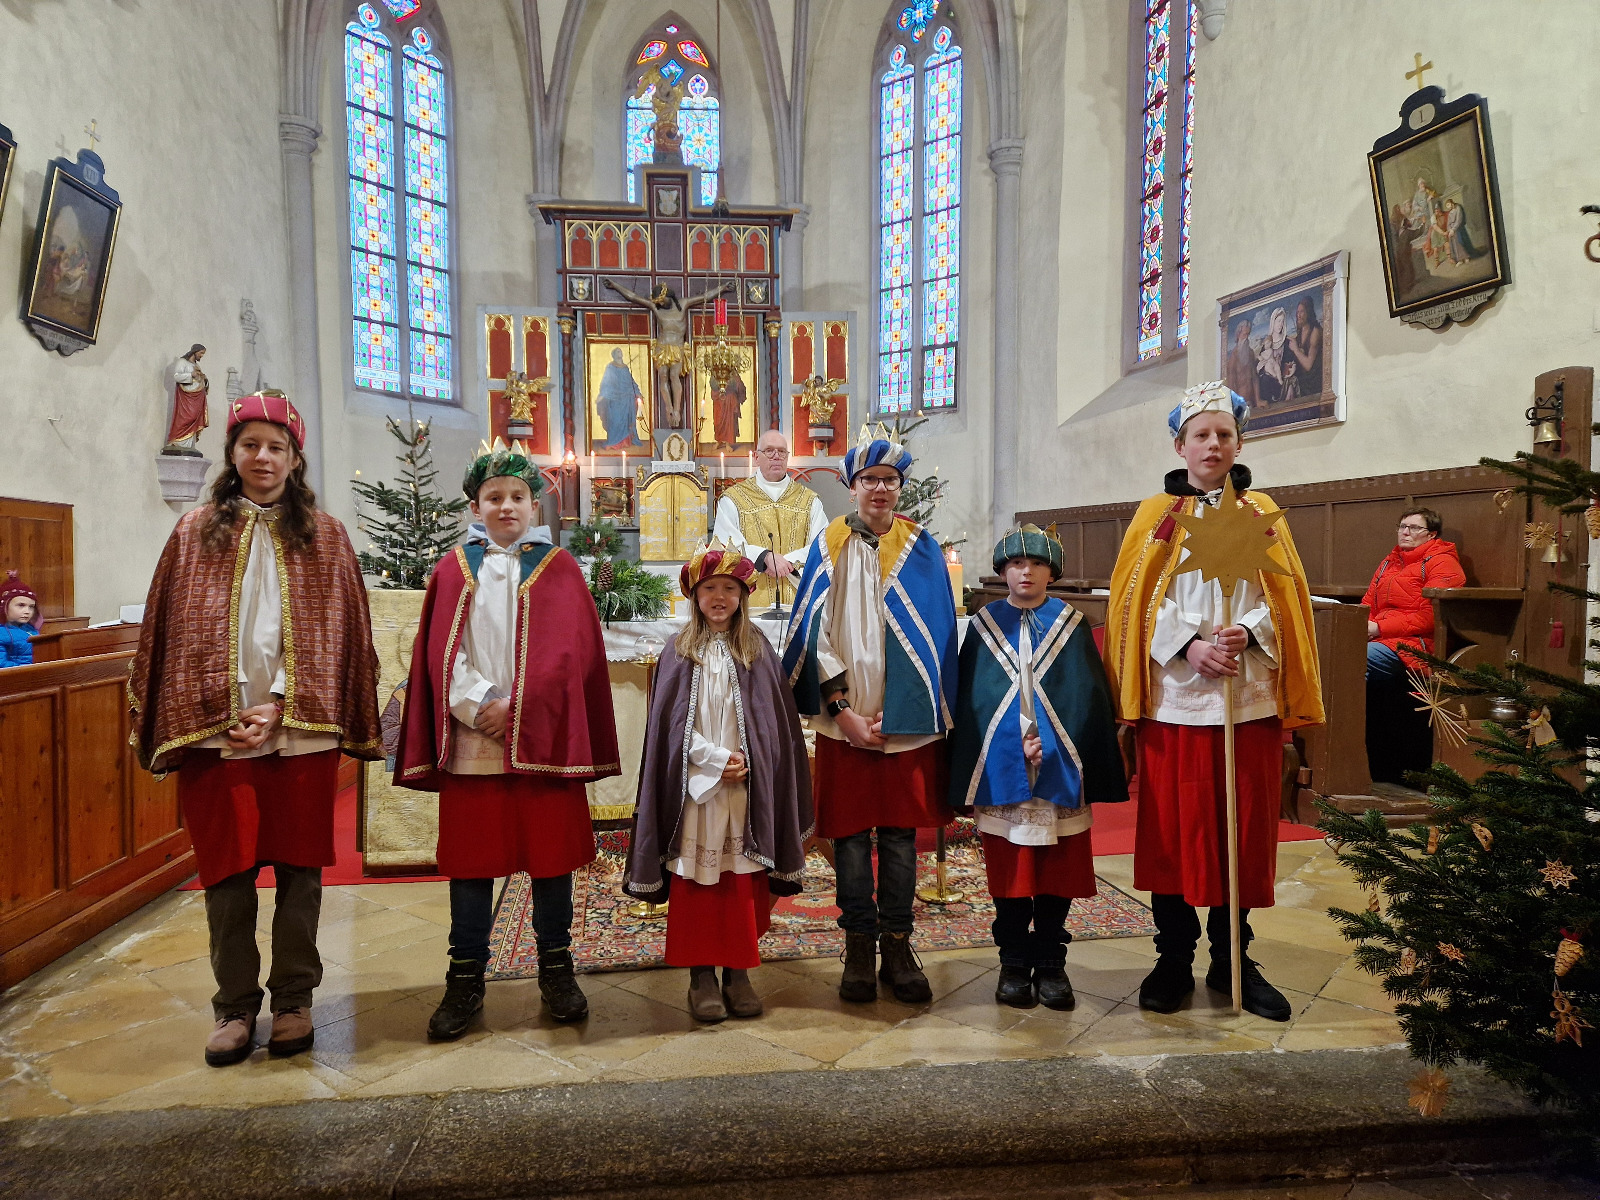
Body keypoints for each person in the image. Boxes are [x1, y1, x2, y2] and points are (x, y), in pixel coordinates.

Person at [129, 390, 382, 1067]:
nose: (263, 457)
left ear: (295, 459)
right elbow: (172, 631)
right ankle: (234, 1006)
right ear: (232, 453)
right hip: (217, 733)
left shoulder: (326, 535)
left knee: (301, 871)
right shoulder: (193, 532)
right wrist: (223, 708)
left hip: (301, 730)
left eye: (276, 447)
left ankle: (295, 999)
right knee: (228, 872)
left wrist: (280, 702)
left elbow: (339, 636)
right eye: (250, 445)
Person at [1103, 382, 1323, 1021]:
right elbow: (1132, 603)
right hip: (1176, 700)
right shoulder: (1157, 515)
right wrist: (1189, 646)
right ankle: (1172, 957)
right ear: (1180, 445)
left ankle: (1233, 961)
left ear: (1239, 443)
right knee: (1174, 832)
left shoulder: (1262, 511)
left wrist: (1248, 631)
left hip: (1244, 699)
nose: (1213, 445)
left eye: (1224, 434)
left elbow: (1287, 597)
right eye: (1200, 435)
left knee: (1240, 832)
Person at [394, 438, 620, 1039]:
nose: (506, 506)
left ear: (534, 506)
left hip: (543, 739)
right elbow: (441, 652)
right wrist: (479, 706)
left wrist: (517, 707)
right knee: (472, 867)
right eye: (493, 497)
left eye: (517, 496)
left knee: (550, 863)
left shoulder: (560, 568)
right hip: (475, 742)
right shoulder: (452, 569)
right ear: (475, 506)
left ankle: (557, 970)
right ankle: (464, 977)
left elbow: (570, 656)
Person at [781, 425, 957, 1005]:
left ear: (899, 487)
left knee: (902, 839)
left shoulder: (921, 546)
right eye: (869, 480)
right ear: (852, 486)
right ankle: (859, 945)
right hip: (845, 722)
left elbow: (935, 635)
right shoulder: (829, 542)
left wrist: (903, 712)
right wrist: (843, 711)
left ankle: (898, 946)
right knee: (851, 838)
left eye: (889, 480)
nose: (880, 489)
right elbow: (816, 631)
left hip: (906, 727)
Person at [625, 540, 813, 1022]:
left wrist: (750, 760)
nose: (719, 597)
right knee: (698, 878)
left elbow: (775, 725)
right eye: (710, 588)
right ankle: (701, 976)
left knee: (740, 878)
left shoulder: (758, 651)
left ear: (743, 596)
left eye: (730, 588)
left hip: (746, 787)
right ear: (695, 595)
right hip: (695, 790)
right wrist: (712, 758)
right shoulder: (677, 651)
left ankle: (738, 971)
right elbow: (668, 730)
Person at [949, 525, 1128, 1011]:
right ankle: (1012, 960)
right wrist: (1015, 743)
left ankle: (1051, 960)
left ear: (1052, 572)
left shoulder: (1071, 624)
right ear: (1002, 571)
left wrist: (1047, 743)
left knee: (1057, 868)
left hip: (1058, 765)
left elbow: (1087, 699)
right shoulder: (983, 625)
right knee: (1010, 868)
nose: (1025, 571)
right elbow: (974, 701)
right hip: (1003, 766)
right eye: (1015, 564)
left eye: (1036, 564)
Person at [1361, 507, 1465, 784]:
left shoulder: (1443, 563)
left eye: (1414, 528)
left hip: (1416, 646)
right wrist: (1361, 625)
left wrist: (1378, 628)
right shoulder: (1390, 561)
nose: (1405, 532)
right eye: (1402, 526)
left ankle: (1351, 755)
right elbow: (1368, 602)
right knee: (1333, 648)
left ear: (1432, 534)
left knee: (1356, 659)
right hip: (1381, 638)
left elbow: (1430, 618)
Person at [711, 430, 829, 609]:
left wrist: (788, 562)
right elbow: (724, 545)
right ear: (757, 457)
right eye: (769, 451)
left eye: (781, 451)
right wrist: (763, 557)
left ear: (787, 457)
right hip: (749, 600)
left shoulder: (809, 500)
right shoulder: (734, 499)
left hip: (798, 600)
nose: (776, 456)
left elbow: (823, 544)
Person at [164, 344, 209, 455]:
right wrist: (191, 375)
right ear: (195, 351)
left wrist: (204, 379)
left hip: (197, 396)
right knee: (186, 417)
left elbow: (199, 378)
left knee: (195, 418)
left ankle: (189, 445)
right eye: (201, 353)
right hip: (186, 397)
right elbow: (176, 376)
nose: (201, 356)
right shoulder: (182, 362)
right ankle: (177, 441)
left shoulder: (196, 365)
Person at [596, 348, 643, 449]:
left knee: (626, 421)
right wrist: (603, 394)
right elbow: (606, 382)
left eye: (621, 351)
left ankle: (625, 442)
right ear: (613, 354)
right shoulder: (610, 367)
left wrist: (637, 392)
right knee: (615, 420)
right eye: (618, 351)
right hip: (615, 398)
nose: (620, 352)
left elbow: (631, 382)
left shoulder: (625, 368)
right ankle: (613, 442)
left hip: (626, 399)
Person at [0, 571, 41, 668]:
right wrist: (28, 670)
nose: (27, 611)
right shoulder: (2, 633)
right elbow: (2, 664)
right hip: (16, 675)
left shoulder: (30, 628)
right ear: (4, 606)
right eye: (21, 605)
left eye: (31, 607)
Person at [1285, 297, 1322, 399]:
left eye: (1301, 312)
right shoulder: (1300, 333)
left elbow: (1308, 365)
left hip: (1312, 382)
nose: (1298, 315)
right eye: (1297, 312)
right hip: (1302, 379)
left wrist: (1296, 350)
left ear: (1308, 312)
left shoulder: (1315, 332)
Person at [711, 372, 747, 450]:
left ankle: (728, 443)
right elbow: (712, 384)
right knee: (718, 421)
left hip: (729, 399)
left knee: (729, 421)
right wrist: (718, 385)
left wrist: (729, 384)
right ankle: (719, 440)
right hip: (719, 399)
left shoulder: (732, 372)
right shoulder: (715, 370)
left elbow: (737, 384)